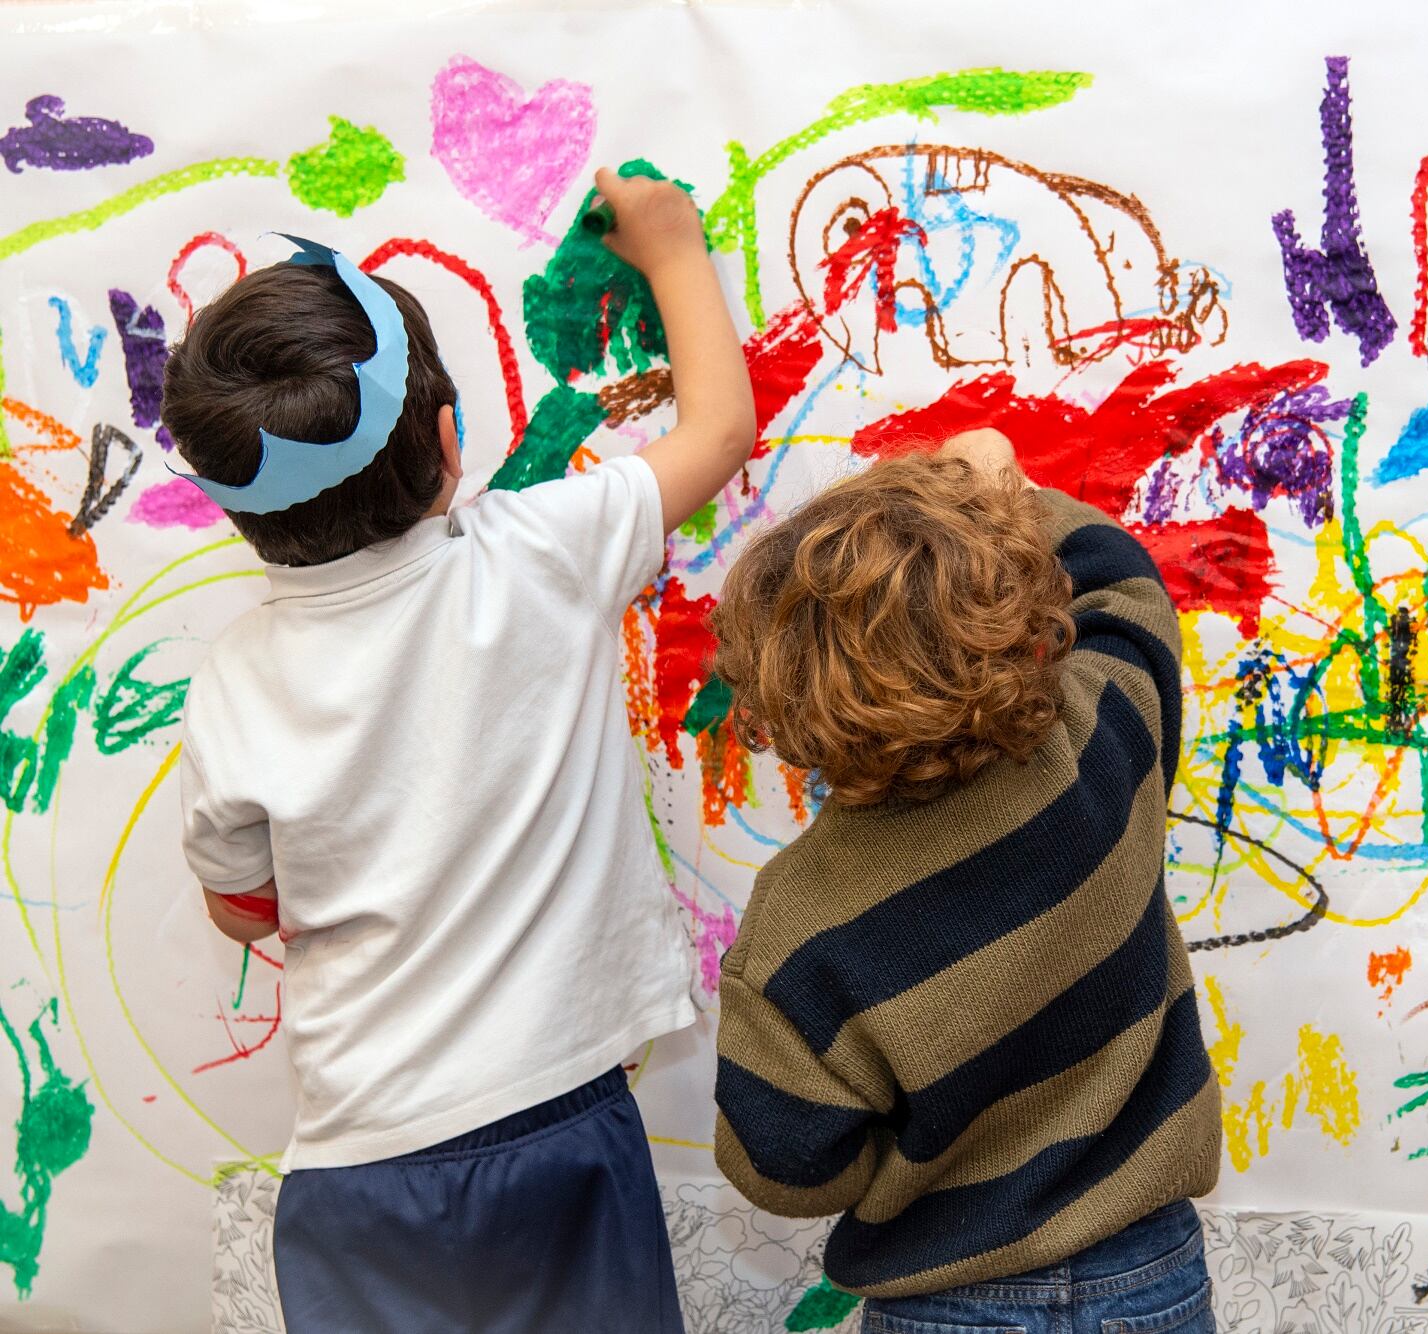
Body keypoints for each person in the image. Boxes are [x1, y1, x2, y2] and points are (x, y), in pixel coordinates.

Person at [164, 168, 752, 1333]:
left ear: (236, 509)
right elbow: (719, 430)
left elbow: (242, 906)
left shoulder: (232, 678)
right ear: (447, 441)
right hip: (556, 1125)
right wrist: (672, 247)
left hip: (358, 1171)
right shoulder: (538, 551)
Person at [707, 430, 1221, 1332]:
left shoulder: (800, 920)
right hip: (1149, 1278)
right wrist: (1005, 497)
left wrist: (915, 1161)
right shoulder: (1102, 743)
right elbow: (1125, 584)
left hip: (941, 1302)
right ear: (1009, 616)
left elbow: (782, 1166)